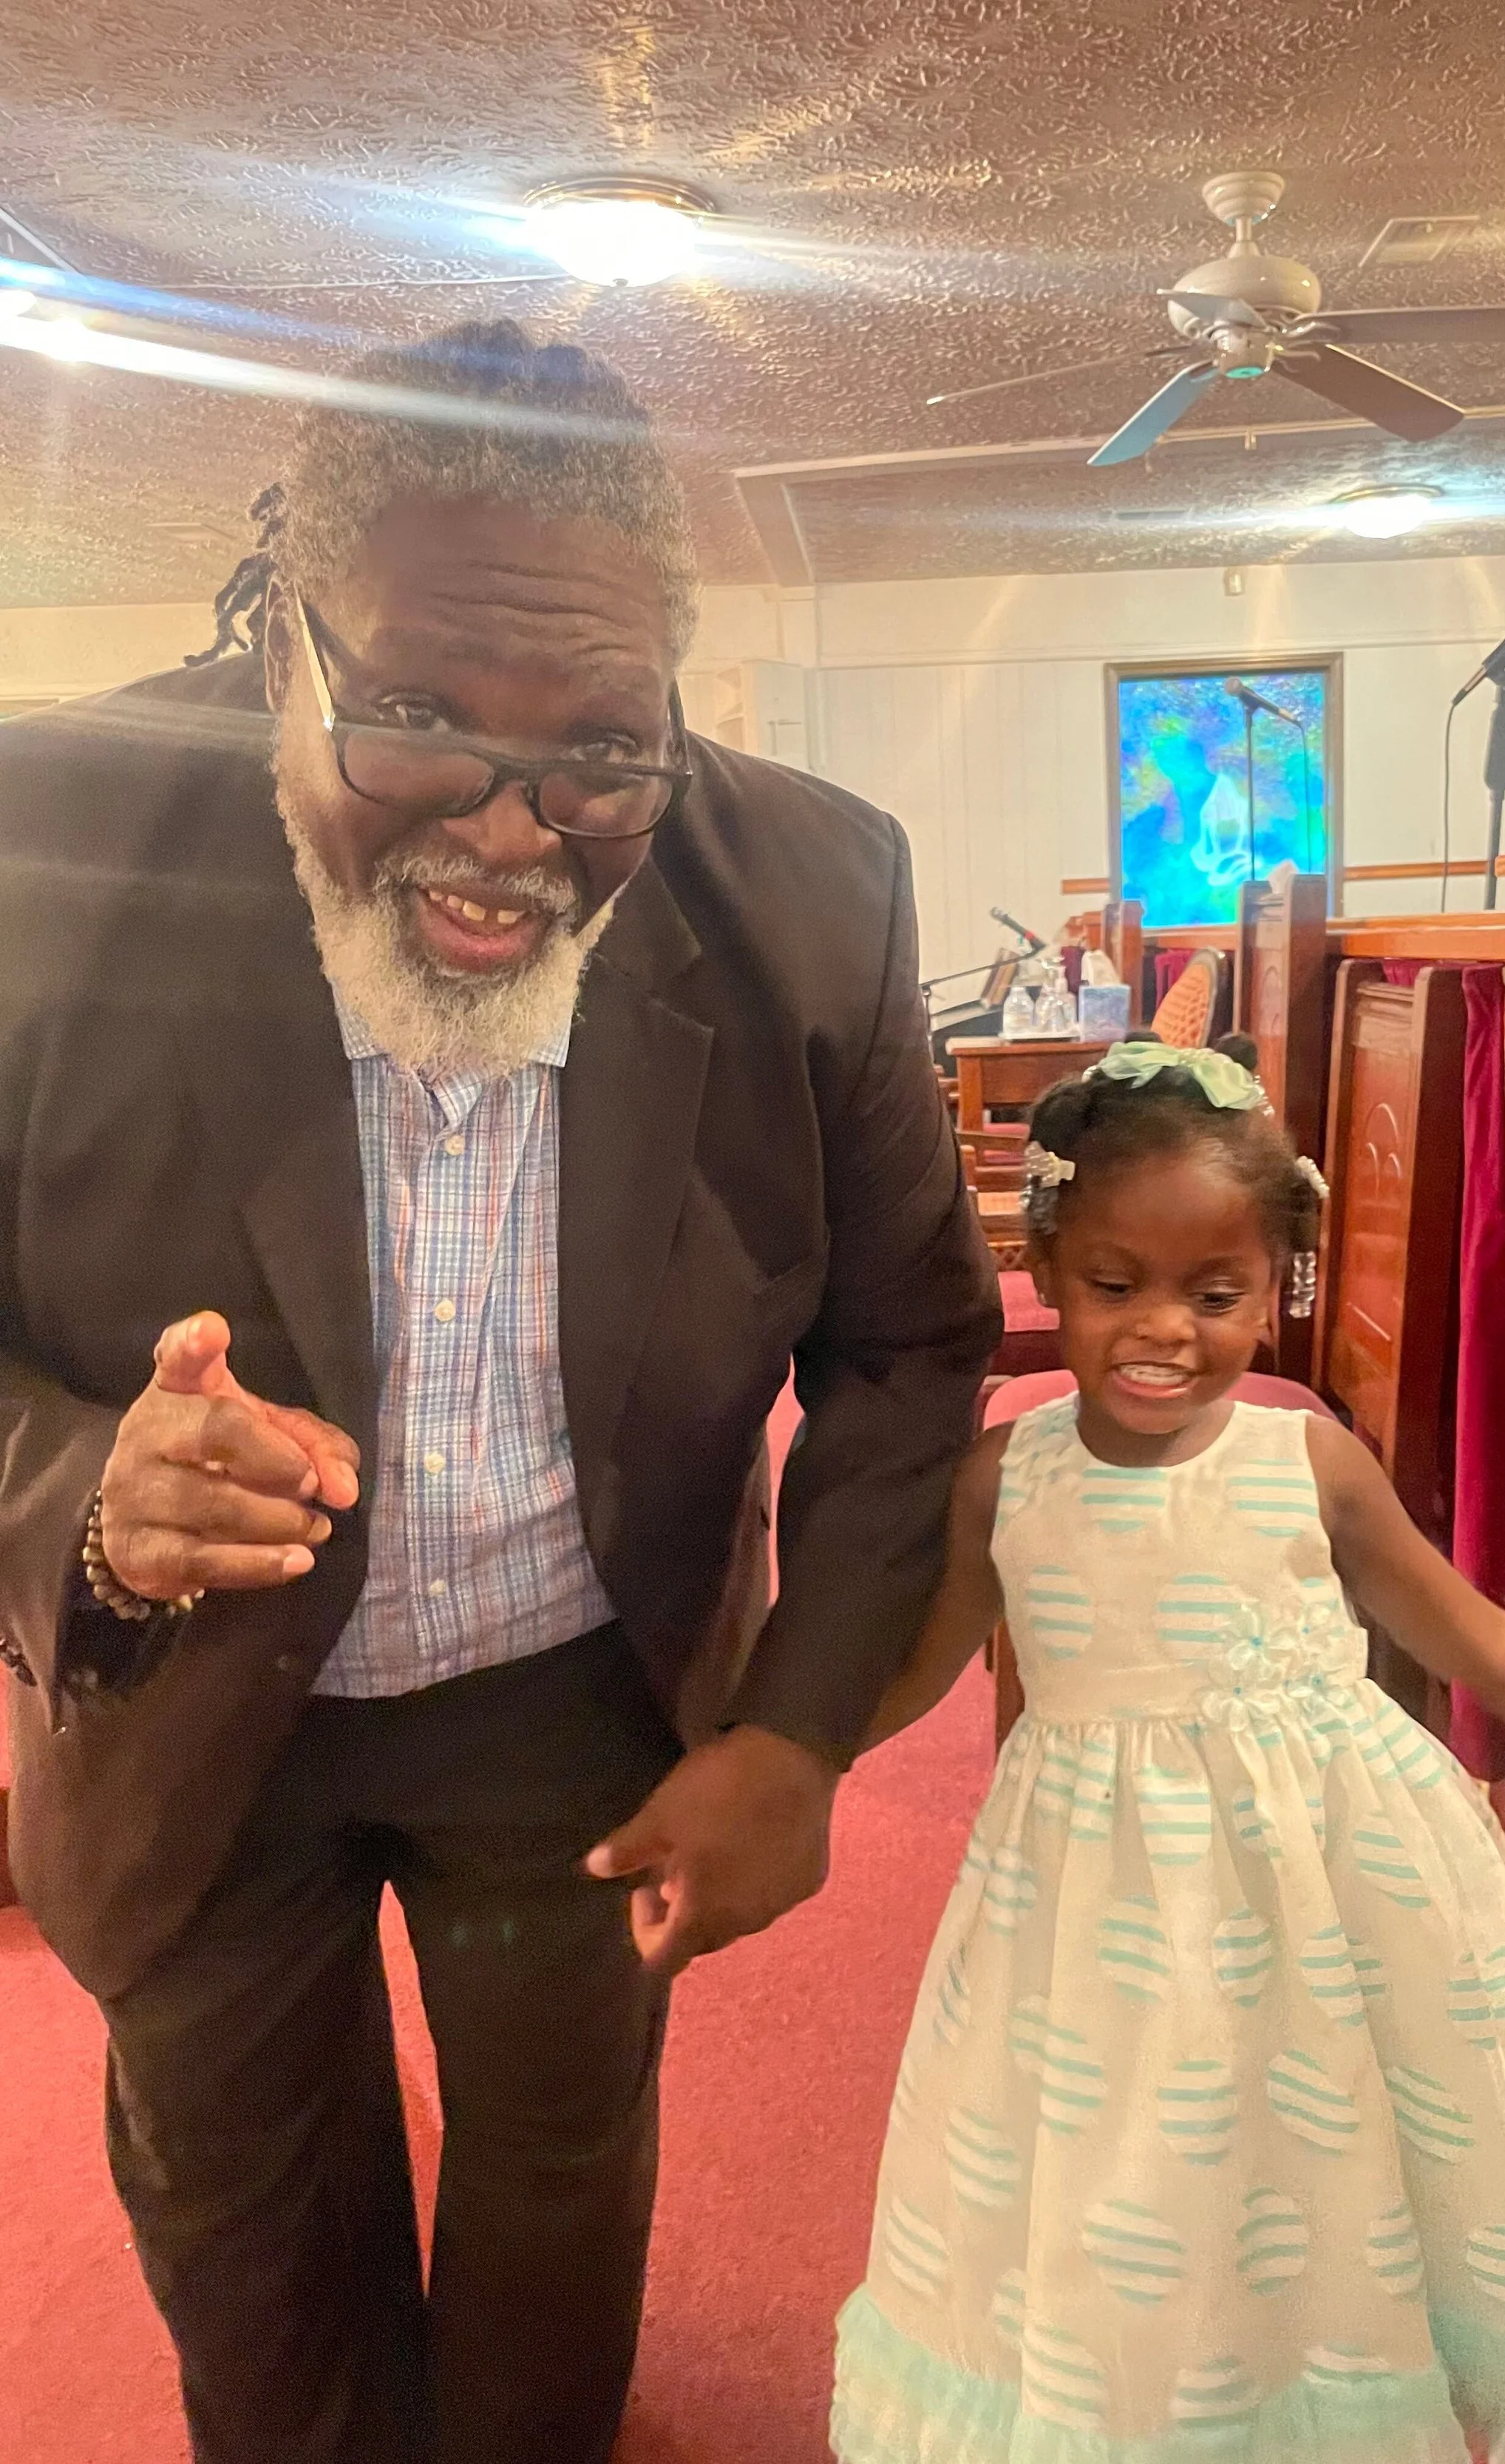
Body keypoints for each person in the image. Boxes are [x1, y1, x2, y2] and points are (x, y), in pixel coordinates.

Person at [0, 319, 999, 2464]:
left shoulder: (810, 895)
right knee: (252, 2240)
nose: (511, 825)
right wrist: (86, 1486)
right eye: (424, 715)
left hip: (580, 1686)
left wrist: (802, 1724)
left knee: (558, 2182)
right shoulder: (39, 839)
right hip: (184, 1701)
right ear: (290, 631)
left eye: (604, 753)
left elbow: (912, 1337)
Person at [830, 1042, 1505, 2464]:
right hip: (1100, 1922)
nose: (1163, 1331)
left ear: (1276, 1287)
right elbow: (930, 1666)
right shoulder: (1008, 1472)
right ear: (1046, 1267)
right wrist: (772, 1764)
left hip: (1333, 1901)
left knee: (1340, 2166)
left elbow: (1483, 1642)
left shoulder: (1302, 1464)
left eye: (1216, 1293)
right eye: (1115, 1285)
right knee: (1148, 2190)